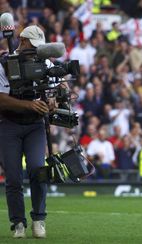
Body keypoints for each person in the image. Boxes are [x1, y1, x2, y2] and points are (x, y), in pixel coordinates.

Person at [0, 25, 50, 238]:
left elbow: (56, 91)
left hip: (35, 126)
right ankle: (18, 223)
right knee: (13, 177)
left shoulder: (46, 62)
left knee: (38, 169)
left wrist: (53, 101)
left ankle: (38, 219)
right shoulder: (4, 64)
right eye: (32, 45)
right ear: (22, 42)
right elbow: (0, 99)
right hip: (8, 124)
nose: (36, 50)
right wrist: (29, 105)